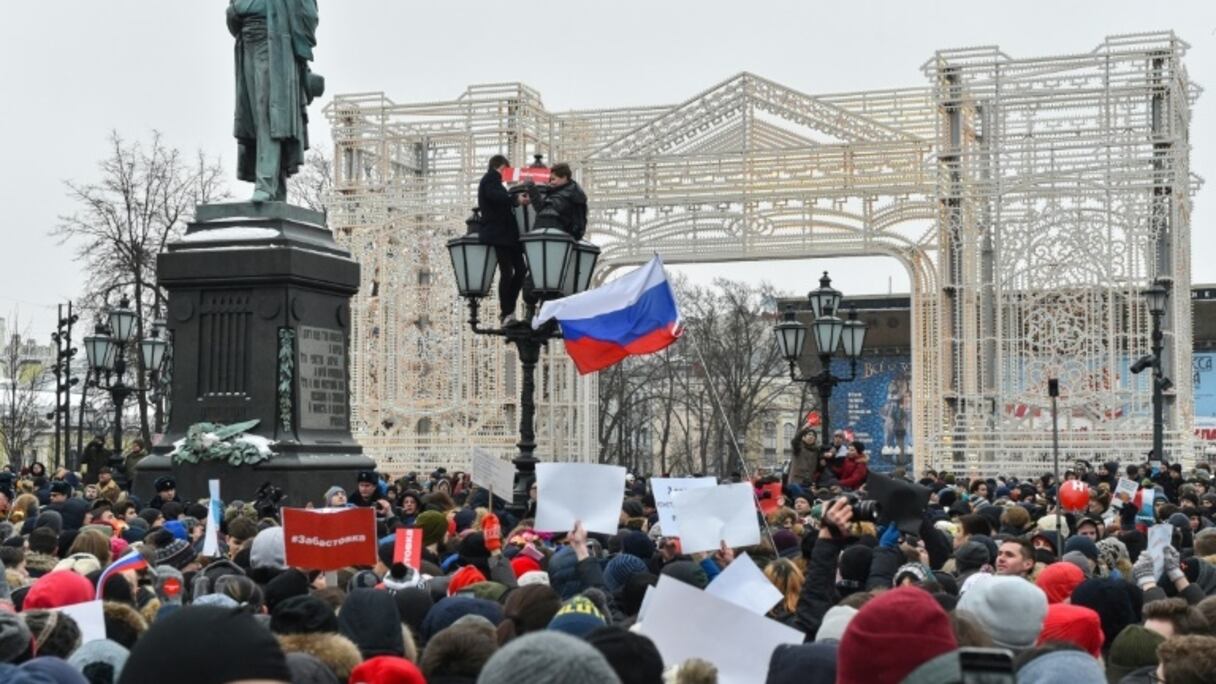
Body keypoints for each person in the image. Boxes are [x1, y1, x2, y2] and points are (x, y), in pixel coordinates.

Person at [228, 0, 323, 201]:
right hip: (247, 43)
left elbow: (308, 13)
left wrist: (300, 50)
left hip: (274, 45)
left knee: (269, 113)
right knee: (253, 116)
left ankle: (265, 183)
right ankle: (276, 185)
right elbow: (233, 15)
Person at [477, 154, 532, 325]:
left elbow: (500, 199)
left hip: (507, 235)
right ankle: (506, 312)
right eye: (507, 169)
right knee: (508, 272)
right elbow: (496, 197)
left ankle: (509, 310)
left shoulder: (494, 181)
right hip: (500, 234)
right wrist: (515, 199)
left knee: (520, 271)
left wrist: (514, 200)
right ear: (501, 167)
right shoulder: (490, 179)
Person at [529, 163, 587, 240]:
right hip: (564, 239)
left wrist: (531, 188)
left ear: (564, 177)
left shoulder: (564, 195)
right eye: (549, 180)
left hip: (556, 237)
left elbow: (544, 210)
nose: (550, 182)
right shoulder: (573, 191)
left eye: (553, 179)